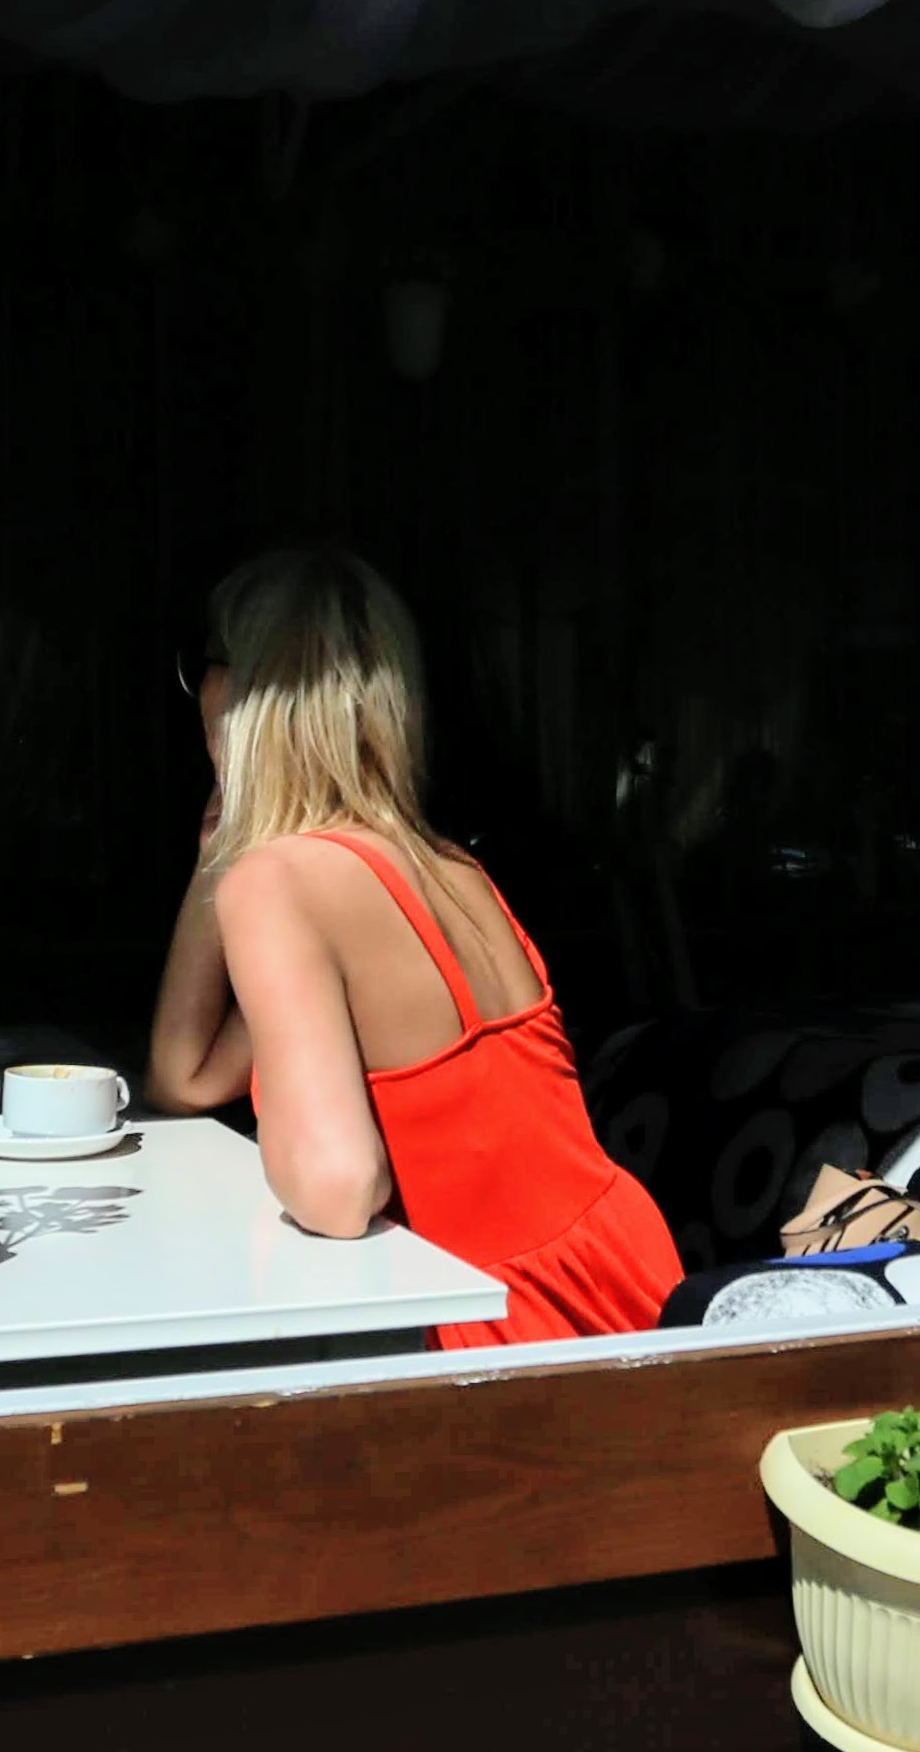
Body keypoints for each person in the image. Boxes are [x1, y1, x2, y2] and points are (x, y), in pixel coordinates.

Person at [144, 549, 683, 1347]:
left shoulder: (281, 882)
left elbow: (337, 1188)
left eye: (202, 668)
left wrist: (237, 867)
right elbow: (185, 1078)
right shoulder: (445, 864)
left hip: (492, 1324)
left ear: (240, 693)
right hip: (613, 1276)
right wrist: (216, 852)